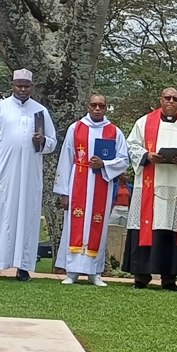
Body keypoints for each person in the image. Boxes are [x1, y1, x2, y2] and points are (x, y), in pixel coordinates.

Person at [0, 69, 57, 282]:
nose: (23, 89)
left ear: (32, 87)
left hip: (29, 176)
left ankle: (23, 268)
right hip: (2, 174)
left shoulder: (40, 111)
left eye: (26, 86)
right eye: (19, 85)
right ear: (12, 85)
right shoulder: (0, 109)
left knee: (28, 217)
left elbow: (52, 142)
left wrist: (42, 141)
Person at [124, 87, 177, 291]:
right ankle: (141, 277)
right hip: (149, 186)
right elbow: (131, 145)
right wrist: (147, 156)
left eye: (175, 99)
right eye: (167, 98)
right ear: (160, 99)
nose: (171, 101)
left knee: (171, 229)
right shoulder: (144, 122)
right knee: (146, 227)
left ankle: (169, 279)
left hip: (175, 187)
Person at [53, 93, 129, 286]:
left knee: (98, 226)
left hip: (101, 186)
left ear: (105, 108)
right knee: (75, 226)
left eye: (101, 106)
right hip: (78, 181)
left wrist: (104, 163)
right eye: (93, 105)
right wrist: (63, 192)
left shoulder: (114, 132)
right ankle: (72, 271)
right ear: (88, 106)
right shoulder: (76, 128)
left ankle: (95, 272)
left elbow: (124, 160)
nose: (97, 109)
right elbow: (65, 159)